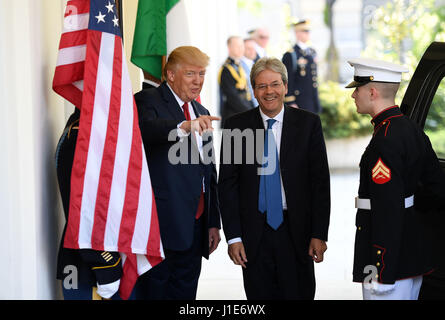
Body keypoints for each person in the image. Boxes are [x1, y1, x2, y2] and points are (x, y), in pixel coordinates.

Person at [218, 57, 331, 299]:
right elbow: (228, 186)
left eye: (275, 84)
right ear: (254, 90)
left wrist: (319, 233)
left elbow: (320, 183)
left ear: (285, 87)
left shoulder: (308, 124)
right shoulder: (237, 126)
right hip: (253, 236)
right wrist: (234, 237)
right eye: (262, 86)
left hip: (297, 233)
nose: (269, 91)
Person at [346, 57, 445, 300]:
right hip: (410, 256)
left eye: (356, 89)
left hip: (388, 264)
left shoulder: (385, 139)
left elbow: (387, 208)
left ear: (372, 91)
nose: (353, 96)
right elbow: (436, 190)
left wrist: (382, 268)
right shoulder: (410, 129)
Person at [133, 46, 221, 300]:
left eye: (202, 74)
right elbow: (147, 130)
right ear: (170, 75)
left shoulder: (202, 112)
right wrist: (183, 126)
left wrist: (213, 222)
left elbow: (208, 171)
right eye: (191, 74)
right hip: (162, 224)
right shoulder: (147, 101)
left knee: (186, 293)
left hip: (197, 224)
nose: (198, 81)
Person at [55, 108, 123, 300]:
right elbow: (81, 210)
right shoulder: (80, 136)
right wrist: (106, 263)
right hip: (90, 260)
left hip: (95, 252)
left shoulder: (84, 129)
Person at [282, 20, 321, 113]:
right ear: (297, 33)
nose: (308, 33)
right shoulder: (291, 54)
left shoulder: (311, 52)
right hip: (299, 102)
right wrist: (290, 101)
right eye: (305, 31)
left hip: (311, 100)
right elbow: (287, 79)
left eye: (308, 31)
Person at [219, 36, 255, 126]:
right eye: (237, 46)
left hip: (244, 115)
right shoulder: (226, 69)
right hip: (233, 116)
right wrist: (250, 112)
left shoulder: (239, 66)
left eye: (242, 46)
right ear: (229, 48)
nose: (241, 49)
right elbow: (233, 97)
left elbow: (247, 93)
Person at [240, 37, 258, 107]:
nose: (252, 51)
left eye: (253, 48)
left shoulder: (255, 64)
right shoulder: (239, 66)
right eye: (248, 49)